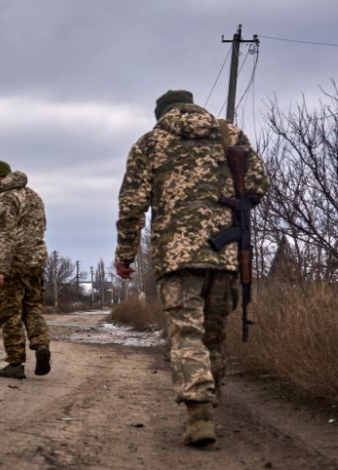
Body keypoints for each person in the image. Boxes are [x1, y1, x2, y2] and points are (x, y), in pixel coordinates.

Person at [114, 89, 269, 446]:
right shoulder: (229, 135)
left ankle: (199, 415)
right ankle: (210, 405)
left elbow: (132, 205)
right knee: (213, 337)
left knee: (186, 334)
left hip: (177, 257)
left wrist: (125, 255)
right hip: (227, 255)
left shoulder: (150, 143)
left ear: (162, 115)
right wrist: (227, 203)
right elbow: (259, 186)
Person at [0, 160, 51, 379]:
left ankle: (15, 363)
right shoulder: (33, 196)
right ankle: (41, 345)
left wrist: (1, 269)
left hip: (13, 265)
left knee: (9, 313)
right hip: (36, 262)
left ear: (4, 178)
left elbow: (5, 236)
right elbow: (39, 228)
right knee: (32, 307)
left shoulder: (5, 199)